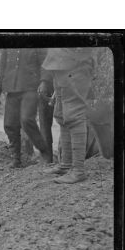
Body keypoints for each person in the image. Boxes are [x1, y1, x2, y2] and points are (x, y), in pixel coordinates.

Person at [40, 48, 95, 184]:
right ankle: (66, 165)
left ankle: (78, 171)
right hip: (59, 64)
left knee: (74, 115)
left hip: (74, 63)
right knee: (61, 114)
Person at [0, 48, 53, 167]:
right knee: (9, 124)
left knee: (26, 120)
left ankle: (44, 151)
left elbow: (45, 63)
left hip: (30, 88)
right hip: (11, 89)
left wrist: (44, 81)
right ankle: (16, 159)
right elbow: (2, 67)